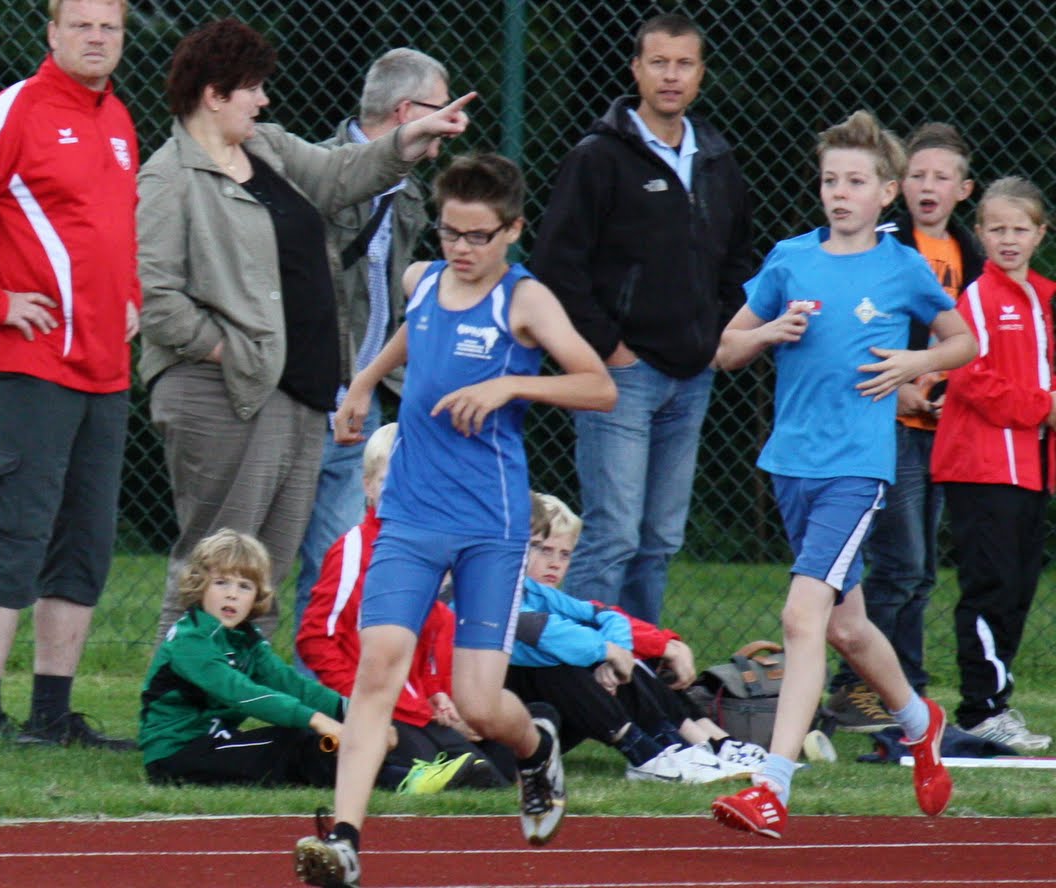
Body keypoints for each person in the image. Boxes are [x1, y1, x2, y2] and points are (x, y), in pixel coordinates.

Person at [293, 153, 616, 887]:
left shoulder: (525, 301)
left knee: (477, 700)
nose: (461, 248)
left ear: (512, 230)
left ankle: (535, 748)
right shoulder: (423, 280)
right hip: (410, 512)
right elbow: (418, 332)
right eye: (449, 232)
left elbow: (599, 387)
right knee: (378, 665)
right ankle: (344, 839)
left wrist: (510, 386)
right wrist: (366, 380)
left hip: (488, 524)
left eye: (478, 236)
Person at [136, 18, 472, 642]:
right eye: (253, 88)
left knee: (262, 574)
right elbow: (157, 298)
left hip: (297, 392)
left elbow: (342, 174)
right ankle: (179, 696)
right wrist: (232, 352)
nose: (263, 100)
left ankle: (241, 695)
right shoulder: (168, 178)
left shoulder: (267, 147)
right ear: (214, 94)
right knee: (217, 564)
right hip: (223, 392)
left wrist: (411, 135)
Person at [708, 111, 974, 839]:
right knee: (847, 629)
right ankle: (920, 722)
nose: (840, 193)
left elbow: (962, 340)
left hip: (856, 469)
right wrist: (769, 332)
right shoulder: (791, 259)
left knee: (803, 617)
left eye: (856, 182)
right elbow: (726, 349)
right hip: (791, 464)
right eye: (831, 181)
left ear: (886, 192)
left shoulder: (902, 267)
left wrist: (917, 361)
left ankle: (772, 785)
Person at [0, 0, 139, 750]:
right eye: (81, 24)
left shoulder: (119, 119)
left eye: (109, 26)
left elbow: (115, 226)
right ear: (52, 33)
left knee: (84, 541)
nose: (96, 37)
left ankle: (52, 714)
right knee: (12, 530)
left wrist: (131, 297)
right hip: (29, 362)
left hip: (106, 371)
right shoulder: (18, 108)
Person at [530, 12, 754, 624]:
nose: (671, 76)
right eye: (659, 63)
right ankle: (574, 664)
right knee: (614, 535)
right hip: (620, 378)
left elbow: (738, 260)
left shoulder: (717, 159)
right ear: (636, 70)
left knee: (658, 542)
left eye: (684, 64)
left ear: (701, 74)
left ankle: (638, 663)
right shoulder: (597, 158)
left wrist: (716, 336)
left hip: (693, 376)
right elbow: (555, 267)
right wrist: (609, 348)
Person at [823, 123, 985, 733]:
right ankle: (854, 690)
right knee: (898, 562)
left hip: (942, 428)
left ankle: (907, 690)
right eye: (918, 174)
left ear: (963, 189)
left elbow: (967, 341)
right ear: (897, 186)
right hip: (888, 424)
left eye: (942, 177)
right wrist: (902, 387)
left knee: (921, 571)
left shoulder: (970, 256)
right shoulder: (885, 250)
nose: (928, 186)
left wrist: (951, 393)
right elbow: (856, 334)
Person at [292, 48, 450, 651]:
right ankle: (239, 689)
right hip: (302, 393)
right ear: (406, 111)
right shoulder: (316, 171)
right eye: (441, 112)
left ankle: (321, 694)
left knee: (336, 564)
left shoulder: (410, 192)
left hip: (363, 398)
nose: (449, 130)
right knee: (260, 559)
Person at [297, 423, 516, 794]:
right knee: (467, 778)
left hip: (415, 707)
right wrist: (361, 696)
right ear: (369, 486)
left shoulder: (422, 553)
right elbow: (315, 639)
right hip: (374, 705)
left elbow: (422, 644)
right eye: (389, 481)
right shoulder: (352, 550)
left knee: (498, 766)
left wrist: (433, 692)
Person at [510, 492, 766, 783]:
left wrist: (620, 654)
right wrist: (614, 652)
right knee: (563, 662)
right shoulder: (501, 593)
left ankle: (701, 745)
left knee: (625, 659)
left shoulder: (542, 594)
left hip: (550, 712)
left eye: (564, 554)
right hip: (515, 719)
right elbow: (544, 632)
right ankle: (652, 751)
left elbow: (610, 616)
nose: (555, 563)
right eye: (542, 549)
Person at [930, 177, 1055, 753]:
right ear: (979, 233)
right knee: (990, 585)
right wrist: (1042, 408)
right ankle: (981, 709)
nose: (1009, 239)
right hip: (981, 467)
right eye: (997, 228)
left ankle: (997, 703)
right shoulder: (978, 298)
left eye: (1020, 229)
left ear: (1039, 234)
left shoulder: (1044, 298)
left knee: (1018, 588)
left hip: (1031, 470)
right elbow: (969, 377)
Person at [140, 529, 349, 787]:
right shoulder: (190, 640)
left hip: (218, 740)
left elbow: (288, 682)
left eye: (244, 586)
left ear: (256, 596)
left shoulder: (245, 637)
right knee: (298, 744)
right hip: (178, 754)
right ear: (200, 586)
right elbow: (242, 693)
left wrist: (348, 710)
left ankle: (381, 763)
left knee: (312, 741)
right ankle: (382, 777)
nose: (232, 594)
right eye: (221, 582)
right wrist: (316, 719)